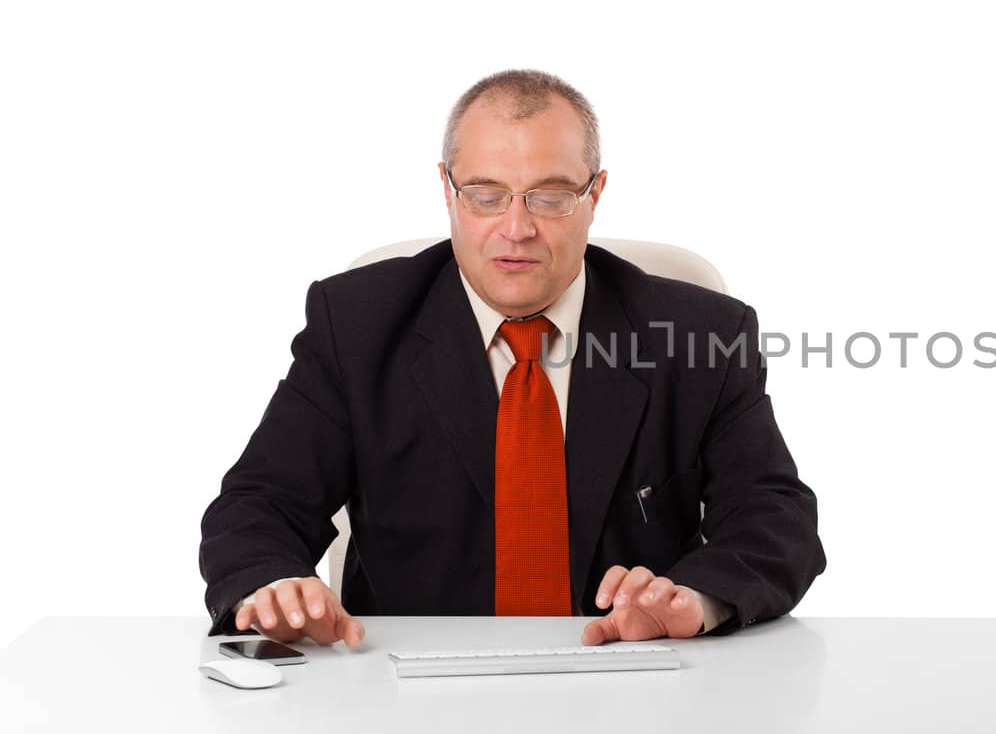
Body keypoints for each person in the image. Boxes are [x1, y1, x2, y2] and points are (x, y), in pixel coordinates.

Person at [198, 69, 825, 648]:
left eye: (550, 197)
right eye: (486, 195)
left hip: (633, 680)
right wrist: (271, 585)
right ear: (447, 190)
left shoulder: (698, 332)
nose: (517, 228)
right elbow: (260, 503)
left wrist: (696, 598)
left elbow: (775, 517)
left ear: (595, 194)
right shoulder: (357, 323)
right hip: (409, 691)